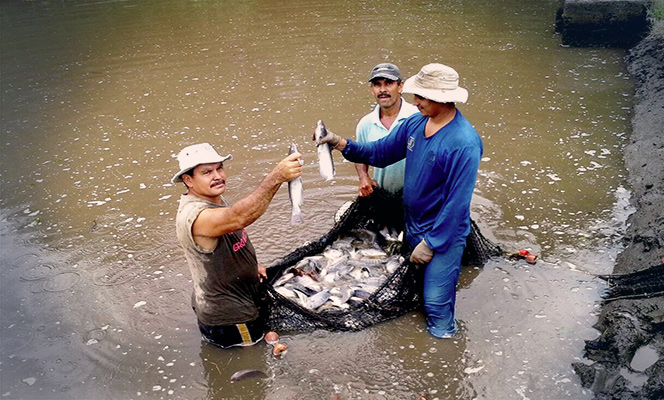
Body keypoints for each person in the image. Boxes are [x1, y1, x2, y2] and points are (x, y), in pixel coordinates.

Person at [316, 63, 483, 338]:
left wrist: (431, 244)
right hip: (413, 223)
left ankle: (445, 348)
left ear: (442, 98)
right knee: (414, 290)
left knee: (436, 304)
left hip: (443, 235)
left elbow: (458, 203)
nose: (415, 101)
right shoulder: (416, 123)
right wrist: (338, 142)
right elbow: (380, 153)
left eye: (422, 96)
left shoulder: (463, 142)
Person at [171, 142, 302, 348]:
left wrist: (251, 266)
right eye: (207, 172)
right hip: (230, 318)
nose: (217, 176)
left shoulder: (213, 198)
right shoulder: (196, 216)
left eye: (219, 168)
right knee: (253, 361)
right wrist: (276, 177)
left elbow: (228, 238)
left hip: (241, 298)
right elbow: (239, 217)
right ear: (188, 180)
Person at [354, 63, 418, 197]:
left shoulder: (417, 118)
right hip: (383, 195)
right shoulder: (365, 124)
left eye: (389, 83)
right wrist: (364, 177)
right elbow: (360, 156)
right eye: (377, 84)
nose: (382, 90)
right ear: (372, 90)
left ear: (400, 86)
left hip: (416, 196)